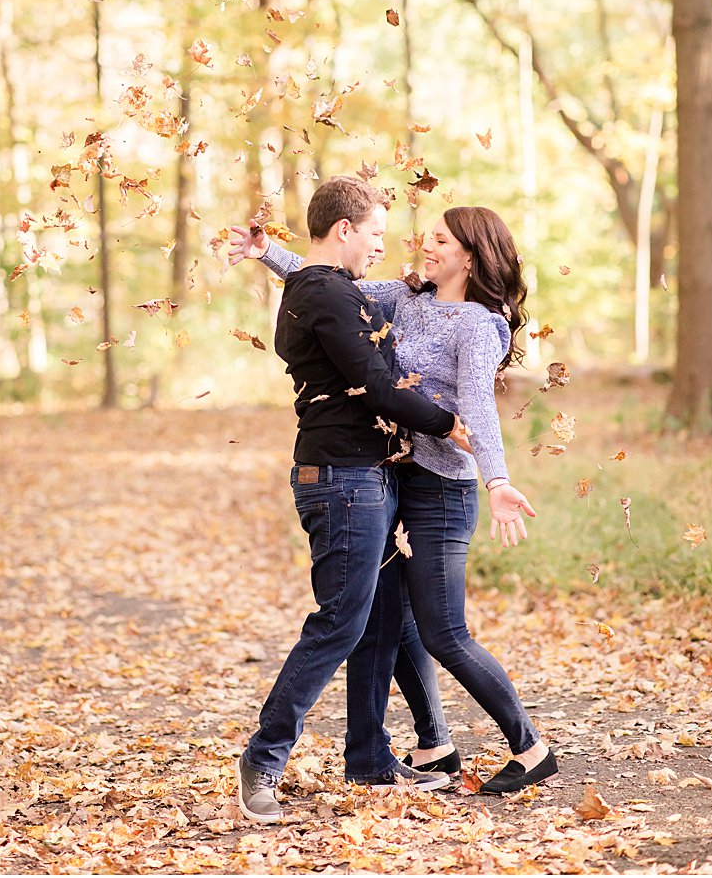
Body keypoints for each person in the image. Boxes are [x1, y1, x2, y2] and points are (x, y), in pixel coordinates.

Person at [231, 204, 557, 795]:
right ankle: (427, 745)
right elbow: (332, 284)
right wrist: (265, 253)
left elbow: (478, 406)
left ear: (471, 255)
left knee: (442, 632)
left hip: (444, 488)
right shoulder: (407, 297)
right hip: (394, 476)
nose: (424, 247)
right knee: (387, 620)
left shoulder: (480, 324)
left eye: (439, 240)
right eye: (426, 237)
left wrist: (497, 478)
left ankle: (529, 747)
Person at [223, 175, 475, 824]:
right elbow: (380, 387)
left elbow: (370, 345)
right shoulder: (322, 290)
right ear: (344, 229)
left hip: (370, 474)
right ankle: (264, 755)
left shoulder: (329, 289)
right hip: (342, 480)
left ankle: (369, 756)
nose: (378, 247)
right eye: (373, 234)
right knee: (340, 620)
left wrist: (263, 251)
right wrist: (449, 424)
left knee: (383, 620)